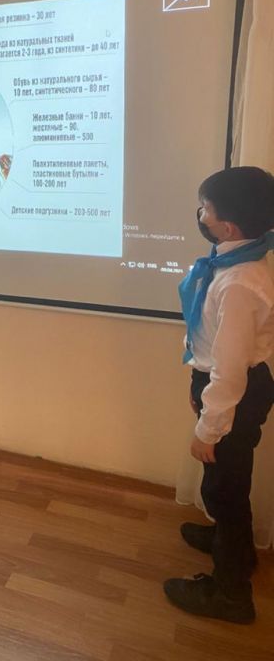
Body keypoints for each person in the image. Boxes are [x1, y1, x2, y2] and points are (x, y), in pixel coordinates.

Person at [164, 166, 274, 624]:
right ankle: (236, 548)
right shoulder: (233, 260)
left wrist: (208, 430)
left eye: (205, 209)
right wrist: (199, 387)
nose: (200, 215)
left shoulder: (240, 283)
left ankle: (231, 595)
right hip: (224, 385)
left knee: (225, 487)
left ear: (227, 227)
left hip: (235, 391)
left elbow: (230, 372)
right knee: (226, 480)